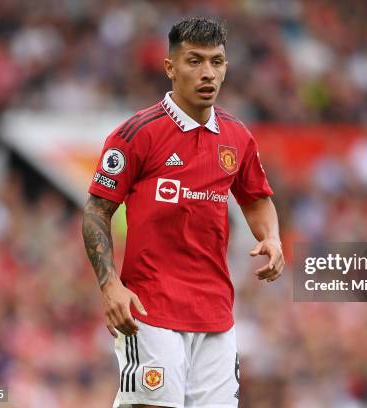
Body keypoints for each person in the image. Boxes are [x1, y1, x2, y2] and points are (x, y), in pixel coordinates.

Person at [82, 17, 284, 408]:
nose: (208, 72)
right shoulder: (136, 134)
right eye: (195, 61)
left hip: (215, 317)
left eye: (217, 62)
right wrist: (110, 286)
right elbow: (96, 209)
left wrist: (271, 237)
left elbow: (256, 198)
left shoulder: (237, 137)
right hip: (150, 310)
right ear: (170, 68)